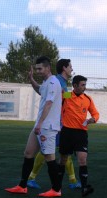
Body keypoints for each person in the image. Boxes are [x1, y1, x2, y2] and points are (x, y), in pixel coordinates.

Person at [5, 56, 62, 197]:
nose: (38, 71)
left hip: (47, 126)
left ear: (48, 68)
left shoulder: (54, 83)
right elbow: (39, 90)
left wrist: (41, 123)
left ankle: (56, 190)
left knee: (49, 158)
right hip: (40, 125)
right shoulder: (46, 83)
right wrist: (31, 79)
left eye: (40, 69)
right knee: (28, 153)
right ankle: (22, 186)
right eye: (36, 69)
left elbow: (49, 104)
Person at [27, 59, 81, 189]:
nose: (72, 69)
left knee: (60, 151)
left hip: (60, 123)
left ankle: (72, 180)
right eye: (70, 67)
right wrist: (76, 94)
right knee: (53, 151)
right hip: (55, 124)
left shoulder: (58, 81)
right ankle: (32, 178)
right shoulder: (57, 81)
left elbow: (47, 93)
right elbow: (62, 97)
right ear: (64, 68)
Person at [58, 75, 99, 197]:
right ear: (74, 86)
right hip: (66, 132)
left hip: (81, 133)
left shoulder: (88, 99)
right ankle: (57, 187)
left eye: (85, 85)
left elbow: (95, 113)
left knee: (82, 159)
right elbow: (54, 101)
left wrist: (93, 119)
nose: (84, 87)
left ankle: (84, 188)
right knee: (63, 160)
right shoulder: (66, 96)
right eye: (82, 85)